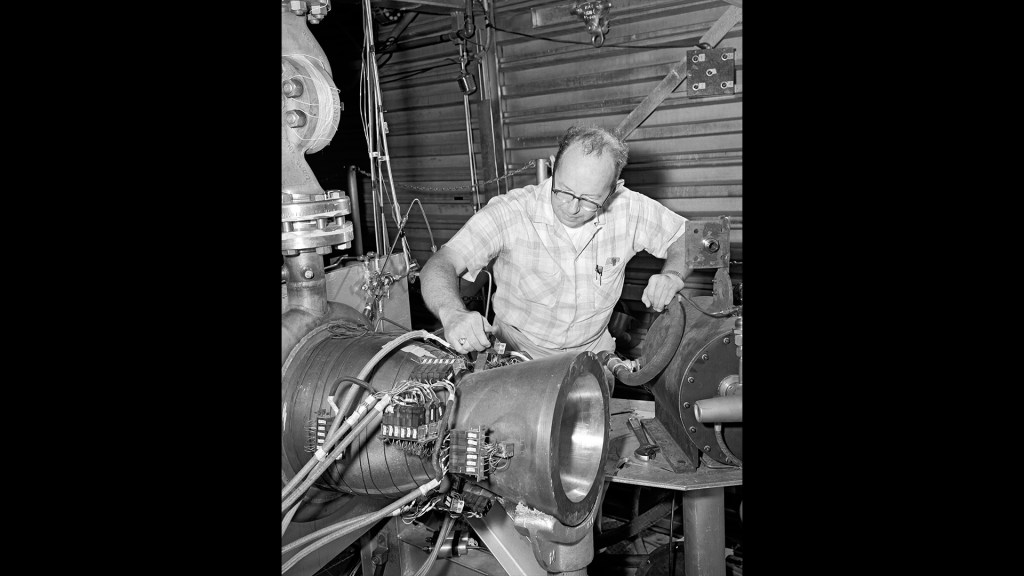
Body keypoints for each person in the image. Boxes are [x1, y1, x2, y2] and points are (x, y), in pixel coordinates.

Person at [420, 125, 691, 358]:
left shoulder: (629, 208)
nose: (572, 208)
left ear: (614, 188)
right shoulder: (511, 212)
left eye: (589, 200)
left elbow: (688, 238)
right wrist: (453, 313)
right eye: (564, 192)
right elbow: (440, 263)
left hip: (592, 354)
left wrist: (672, 275)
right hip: (518, 352)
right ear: (553, 166)